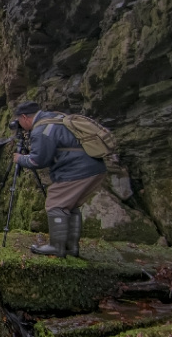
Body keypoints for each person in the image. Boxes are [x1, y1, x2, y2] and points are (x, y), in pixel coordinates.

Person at [12, 100, 108, 258]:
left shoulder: (41, 130)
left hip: (77, 170)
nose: (20, 125)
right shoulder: (55, 117)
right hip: (95, 167)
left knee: (56, 204)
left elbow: (38, 161)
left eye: (19, 121)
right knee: (70, 206)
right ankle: (71, 247)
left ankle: (57, 247)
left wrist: (20, 159)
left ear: (24, 117)